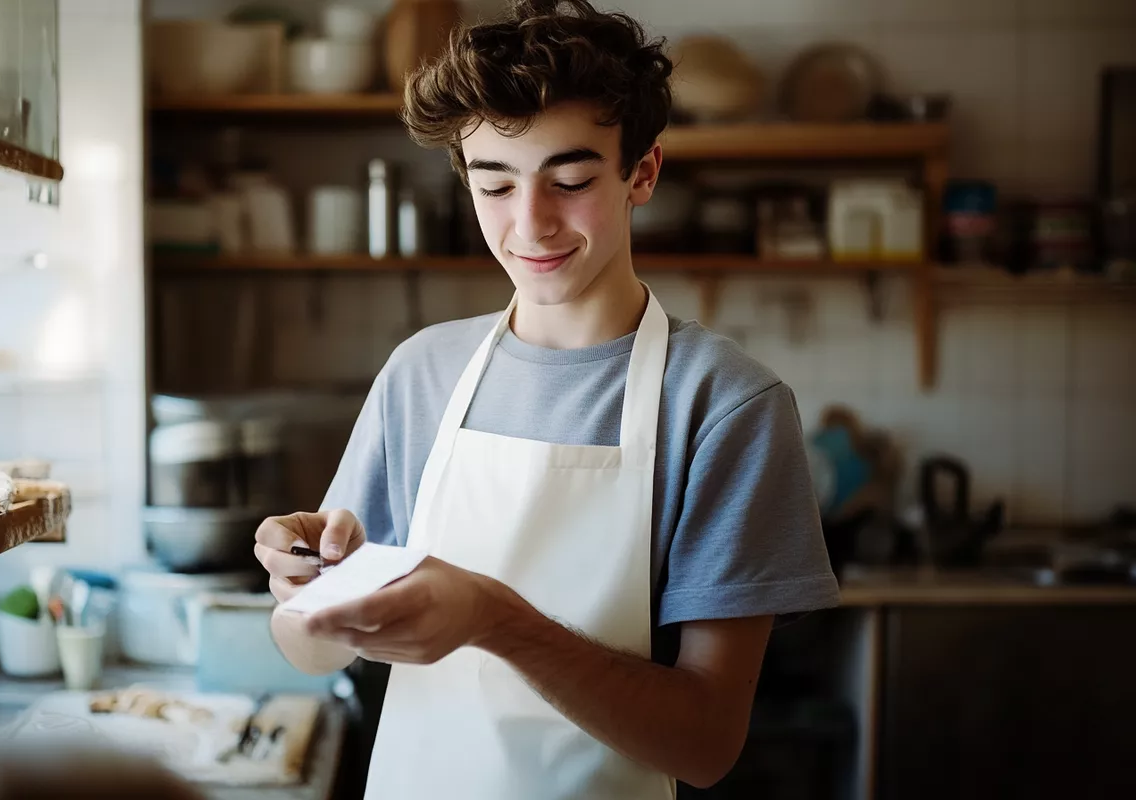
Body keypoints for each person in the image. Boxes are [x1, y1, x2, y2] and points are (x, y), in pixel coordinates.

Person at [255, 1, 840, 796]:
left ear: (644, 172)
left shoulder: (725, 406)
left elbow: (706, 745)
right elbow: (322, 649)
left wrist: (496, 620)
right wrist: (299, 587)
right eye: (495, 186)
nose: (530, 224)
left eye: (569, 181)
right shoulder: (420, 373)